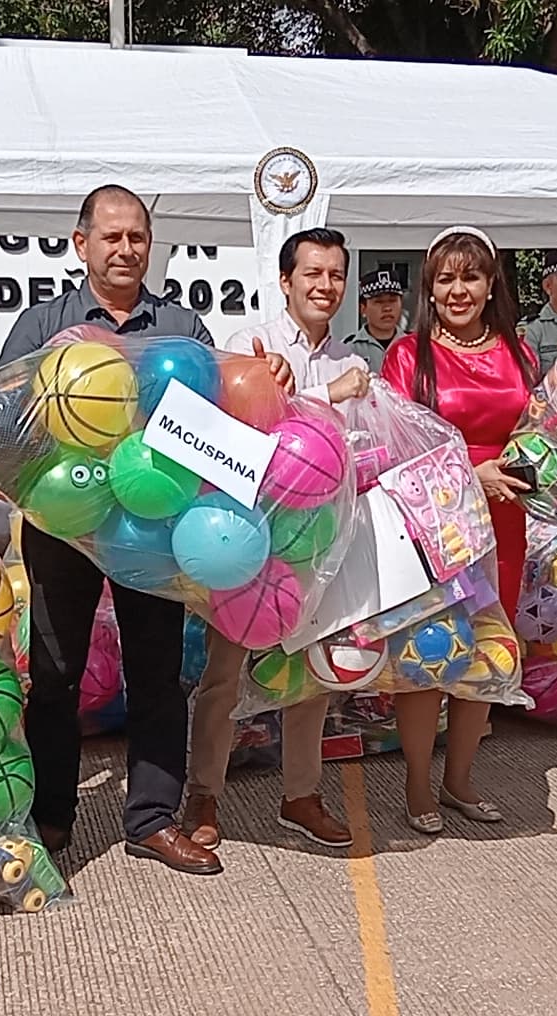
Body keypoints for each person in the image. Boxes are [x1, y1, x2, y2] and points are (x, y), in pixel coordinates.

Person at [0, 186, 285, 874]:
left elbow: (223, 417)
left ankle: (153, 818)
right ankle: (52, 816)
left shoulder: (182, 329)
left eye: (137, 237)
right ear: (81, 244)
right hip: (64, 525)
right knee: (58, 675)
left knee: (158, 674)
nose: (125, 249)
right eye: (111, 237)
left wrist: (264, 376)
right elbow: (2, 423)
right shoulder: (43, 327)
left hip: (156, 528)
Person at [186, 227, 372, 851]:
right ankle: (204, 796)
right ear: (286, 281)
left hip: (316, 545)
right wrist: (326, 395)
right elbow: (241, 426)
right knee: (223, 677)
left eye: (336, 275)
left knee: (310, 678)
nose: (325, 286)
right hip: (247, 539)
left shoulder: (353, 360)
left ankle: (301, 797)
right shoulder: (252, 343)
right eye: (312, 274)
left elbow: (359, 452)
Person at [381, 226, 537, 833]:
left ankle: (460, 780)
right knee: (427, 658)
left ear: (491, 281)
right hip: (434, 525)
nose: (458, 290)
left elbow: (538, 434)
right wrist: (475, 473)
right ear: (430, 288)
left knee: (489, 652)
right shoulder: (406, 355)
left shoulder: (520, 352)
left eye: (470, 276)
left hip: (504, 522)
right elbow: (393, 448)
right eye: (445, 278)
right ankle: (418, 785)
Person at [343, 269, 405, 371]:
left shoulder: (415, 347)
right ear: (363, 308)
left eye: (392, 301)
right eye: (379, 302)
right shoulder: (349, 350)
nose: (387, 308)